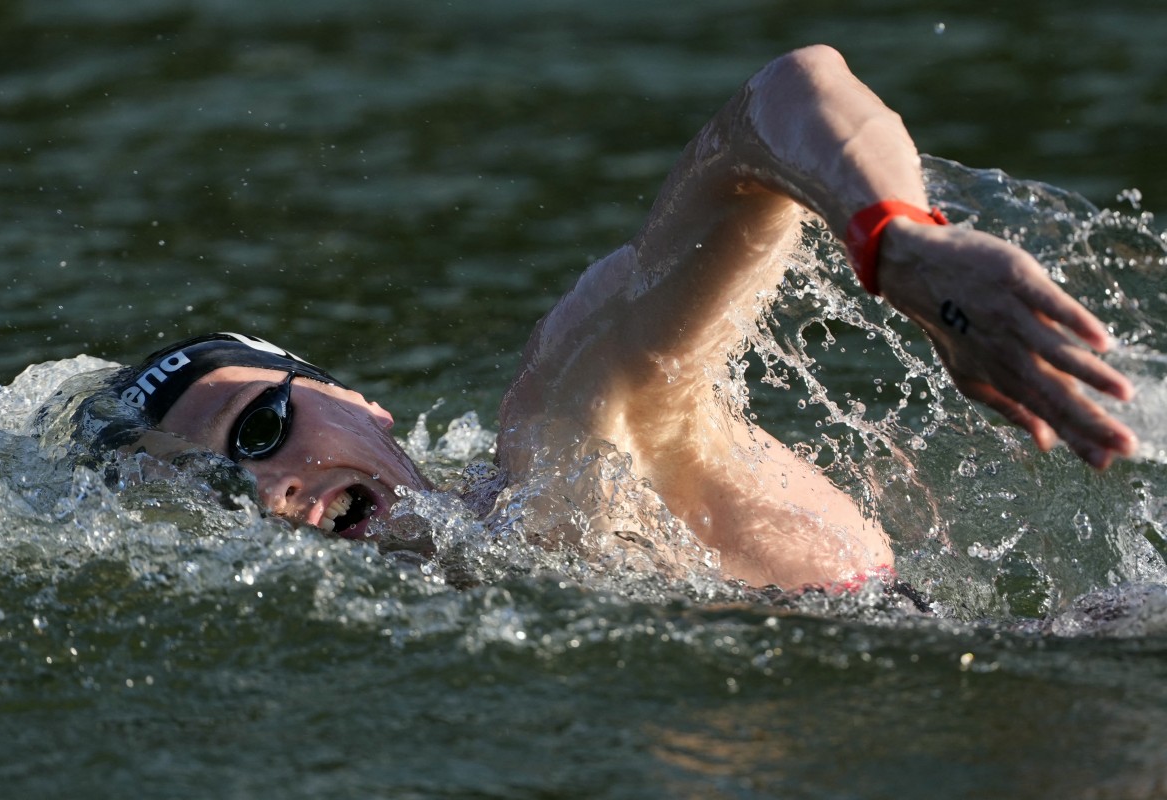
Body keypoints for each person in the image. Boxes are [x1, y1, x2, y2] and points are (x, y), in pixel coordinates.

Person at [97, 45, 1137, 590]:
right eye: (219, 491)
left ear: (361, 403)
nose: (269, 490)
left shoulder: (567, 431)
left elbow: (781, 99)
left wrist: (900, 247)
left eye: (260, 429)